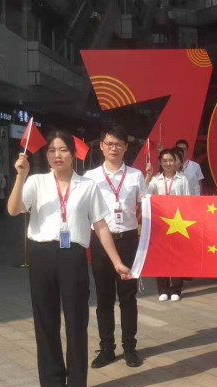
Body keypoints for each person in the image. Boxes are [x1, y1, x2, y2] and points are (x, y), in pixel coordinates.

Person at [7, 131, 131, 387]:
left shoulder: (87, 186)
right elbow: (14, 209)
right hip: (41, 254)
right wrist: (20, 176)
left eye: (63, 150)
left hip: (73, 255)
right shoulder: (36, 182)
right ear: (46, 155)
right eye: (52, 150)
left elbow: (100, 225)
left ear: (73, 154)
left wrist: (116, 262)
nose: (57, 155)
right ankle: (52, 386)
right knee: (45, 321)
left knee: (76, 320)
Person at [84, 124, 147, 369]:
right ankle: (107, 348)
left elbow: (147, 207)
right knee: (104, 297)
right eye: (109, 144)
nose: (114, 148)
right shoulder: (90, 177)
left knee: (128, 297)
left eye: (118, 144)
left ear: (125, 148)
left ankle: (130, 347)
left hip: (129, 241)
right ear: (101, 146)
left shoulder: (135, 176)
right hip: (101, 242)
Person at [145, 148, 191, 301]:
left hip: (179, 223)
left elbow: (188, 201)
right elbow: (145, 195)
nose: (168, 163)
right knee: (161, 256)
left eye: (171, 160)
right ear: (160, 162)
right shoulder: (155, 180)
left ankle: (176, 289)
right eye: (164, 161)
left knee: (177, 255)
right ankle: (163, 289)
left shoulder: (182, 180)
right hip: (161, 224)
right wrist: (148, 176)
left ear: (176, 162)